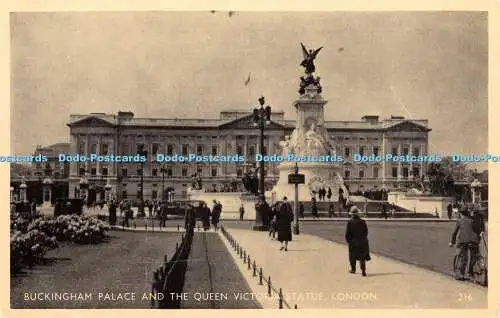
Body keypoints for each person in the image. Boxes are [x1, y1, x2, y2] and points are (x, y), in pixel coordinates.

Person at [449, 208, 483, 280]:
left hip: (463, 241)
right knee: (474, 255)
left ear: (461, 214)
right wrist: (480, 234)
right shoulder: (472, 220)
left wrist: (452, 242)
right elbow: (478, 230)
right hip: (474, 241)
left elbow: (454, 233)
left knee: (464, 257)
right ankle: (470, 272)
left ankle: (461, 274)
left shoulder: (459, 221)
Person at [345, 206, 371, 276]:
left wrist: (349, 241)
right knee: (362, 257)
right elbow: (366, 232)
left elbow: (348, 233)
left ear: (352, 214)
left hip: (353, 242)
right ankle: (363, 271)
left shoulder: (350, 222)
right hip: (362, 242)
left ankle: (353, 269)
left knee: (352, 256)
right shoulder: (363, 221)